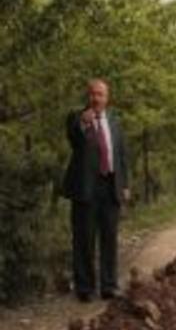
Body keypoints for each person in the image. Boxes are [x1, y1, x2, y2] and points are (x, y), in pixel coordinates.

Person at [63, 79, 130, 302]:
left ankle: (109, 286)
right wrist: (83, 122)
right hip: (86, 188)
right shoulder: (77, 118)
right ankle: (84, 288)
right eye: (92, 94)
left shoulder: (115, 122)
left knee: (109, 237)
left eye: (100, 94)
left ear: (107, 97)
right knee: (84, 239)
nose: (96, 98)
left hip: (111, 186)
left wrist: (125, 185)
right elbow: (73, 138)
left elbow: (121, 156)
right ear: (88, 96)